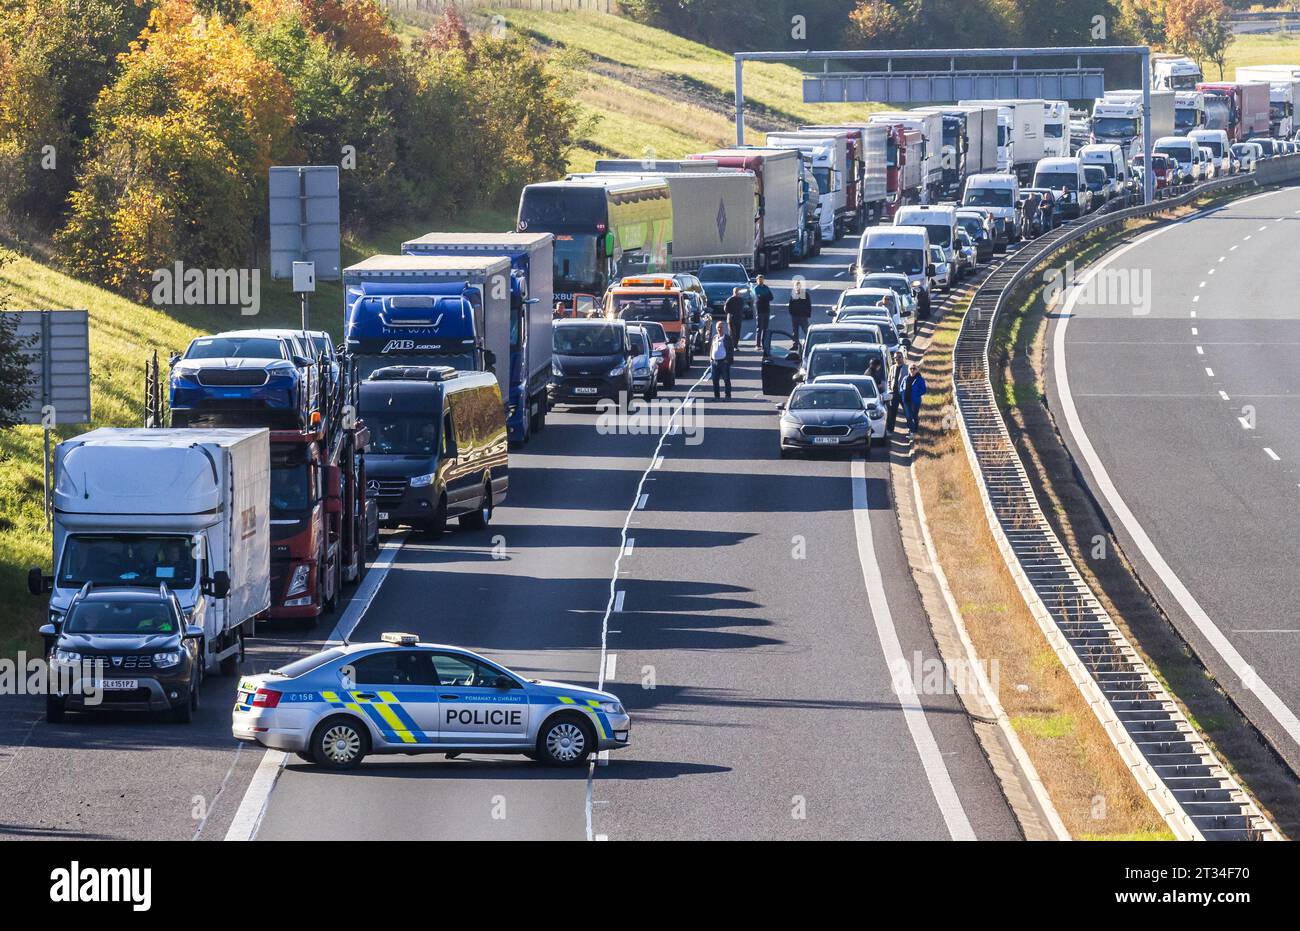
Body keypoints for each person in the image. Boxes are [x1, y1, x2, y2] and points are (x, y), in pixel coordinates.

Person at [709, 320, 733, 400]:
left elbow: (730, 350)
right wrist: (711, 359)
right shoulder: (715, 337)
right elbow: (712, 348)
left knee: (726, 379)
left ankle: (728, 396)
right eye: (718, 327)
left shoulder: (727, 338)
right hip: (714, 362)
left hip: (723, 362)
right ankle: (717, 396)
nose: (719, 329)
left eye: (721, 327)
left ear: (724, 328)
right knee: (715, 380)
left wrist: (728, 360)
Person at [885, 351, 907, 434]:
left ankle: (911, 429)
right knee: (892, 413)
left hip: (903, 394)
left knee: (907, 412)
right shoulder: (892, 368)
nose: (897, 359)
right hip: (894, 394)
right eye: (896, 358)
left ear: (902, 358)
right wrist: (889, 390)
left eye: (899, 357)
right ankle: (890, 429)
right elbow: (889, 380)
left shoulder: (907, 368)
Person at [788, 281, 812, 347]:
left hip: (803, 316)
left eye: (798, 286)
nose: (797, 287)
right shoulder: (793, 294)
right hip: (795, 316)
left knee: (805, 330)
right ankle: (795, 344)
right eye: (796, 286)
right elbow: (790, 304)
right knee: (795, 331)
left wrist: (808, 314)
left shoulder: (805, 294)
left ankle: (809, 344)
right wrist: (791, 313)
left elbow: (808, 305)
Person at [905, 363, 928, 434]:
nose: (912, 370)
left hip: (915, 401)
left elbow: (924, 390)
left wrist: (916, 394)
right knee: (908, 416)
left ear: (917, 370)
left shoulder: (919, 379)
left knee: (914, 415)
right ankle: (910, 429)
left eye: (914, 368)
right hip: (906, 400)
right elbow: (901, 387)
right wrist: (902, 394)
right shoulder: (906, 378)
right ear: (908, 370)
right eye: (910, 368)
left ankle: (915, 430)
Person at [753, 275, 773, 348]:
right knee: (759, 328)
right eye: (759, 280)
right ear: (757, 280)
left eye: (762, 279)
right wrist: (765, 297)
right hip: (759, 310)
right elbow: (759, 297)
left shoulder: (766, 287)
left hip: (766, 309)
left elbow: (771, 297)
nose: (760, 281)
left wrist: (764, 297)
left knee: (765, 328)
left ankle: (764, 343)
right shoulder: (756, 288)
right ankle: (758, 344)